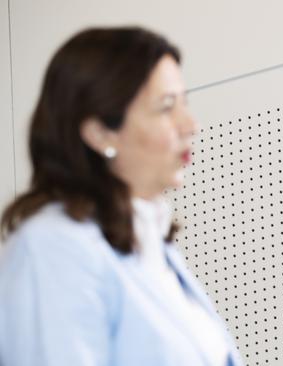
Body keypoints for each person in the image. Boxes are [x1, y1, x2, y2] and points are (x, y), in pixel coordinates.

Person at [0, 27, 242, 366]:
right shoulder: (53, 248)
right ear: (99, 133)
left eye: (185, 104)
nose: (190, 124)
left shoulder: (149, 242)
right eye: (166, 107)